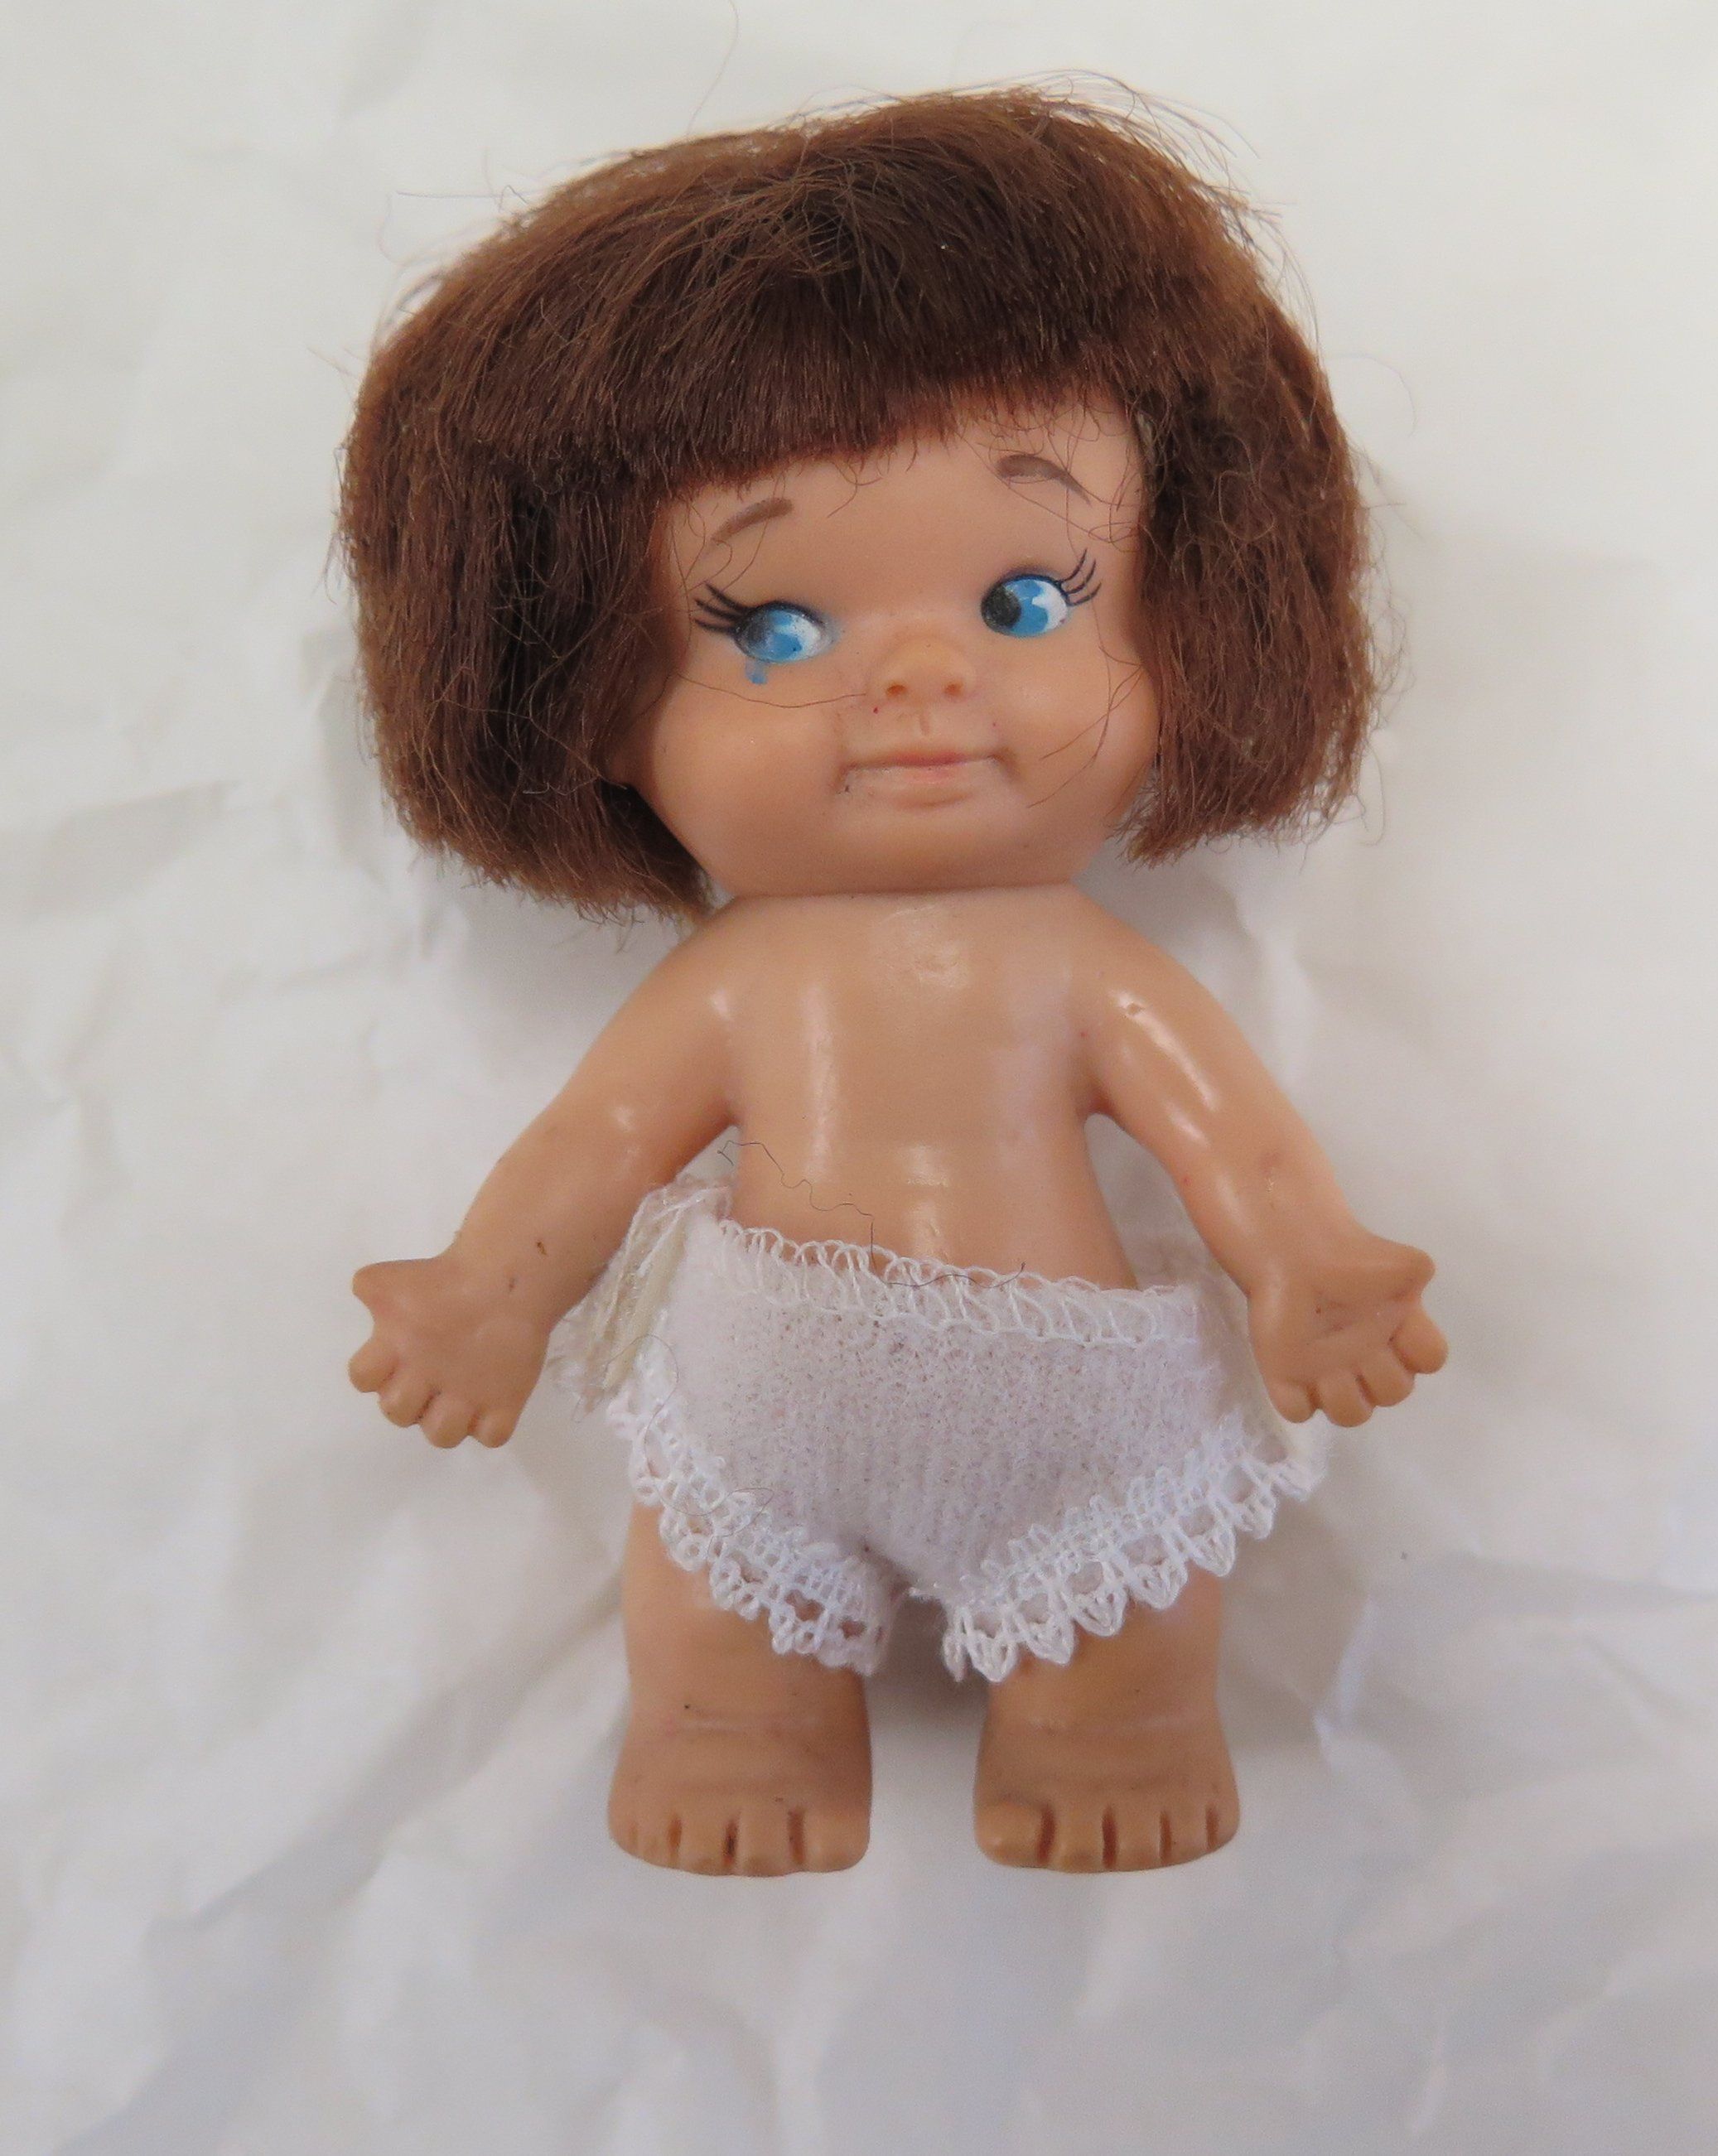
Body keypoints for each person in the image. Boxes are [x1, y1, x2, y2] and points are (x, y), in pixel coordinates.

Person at [340, 84, 1446, 1875]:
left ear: (1181, 631)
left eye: (1027, 603)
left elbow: (1225, 1138)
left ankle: (1120, 1722)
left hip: (1069, 1407)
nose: (921, 682)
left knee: (1127, 1633)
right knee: (711, 1616)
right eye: (775, 630)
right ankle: (731, 1722)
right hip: (767, 1401)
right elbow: (597, 1145)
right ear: (589, 698)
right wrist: (491, 1294)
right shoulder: (741, 980)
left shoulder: (1078, 965)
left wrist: (1304, 1265)